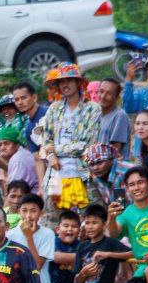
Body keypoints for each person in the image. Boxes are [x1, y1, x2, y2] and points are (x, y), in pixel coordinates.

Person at [35, 63, 101, 211]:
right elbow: (46, 139)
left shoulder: (92, 109)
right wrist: (51, 156)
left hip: (83, 173)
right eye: (61, 81)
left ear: (78, 82)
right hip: (55, 174)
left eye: (69, 80)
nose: (65, 84)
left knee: (87, 217)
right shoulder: (54, 108)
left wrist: (55, 150)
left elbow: (86, 145)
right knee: (54, 218)